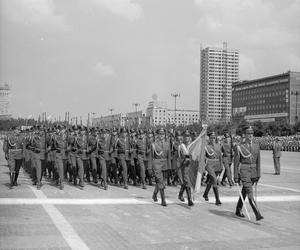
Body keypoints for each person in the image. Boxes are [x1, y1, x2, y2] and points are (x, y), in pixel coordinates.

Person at [234, 126, 264, 221]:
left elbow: (258, 161)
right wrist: (235, 176)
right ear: (245, 135)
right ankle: (257, 213)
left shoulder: (256, 146)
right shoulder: (240, 147)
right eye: (248, 134)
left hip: (254, 172)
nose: (250, 135)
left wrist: (258, 174)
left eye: (251, 134)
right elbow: (236, 163)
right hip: (244, 171)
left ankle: (238, 209)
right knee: (250, 192)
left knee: (244, 191)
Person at [151, 127, 171, 206]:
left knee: (162, 182)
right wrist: (150, 167)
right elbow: (151, 157)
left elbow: (169, 156)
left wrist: (170, 167)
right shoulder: (154, 144)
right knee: (160, 181)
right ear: (158, 135)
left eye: (163, 134)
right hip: (157, 164)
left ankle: (155, 194)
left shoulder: (168, 144)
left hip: (165, 164)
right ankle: (163, 200)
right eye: (160, 134)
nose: (162, 135)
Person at [203, 131, 222, 206]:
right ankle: (217, 199)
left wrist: (221, 167)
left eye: (214, 137)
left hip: (217, 165)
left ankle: (205, 194)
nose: (213, 139)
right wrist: (204, 167)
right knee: (214, 180)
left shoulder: (218, 145)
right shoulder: (206, 146)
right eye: (211, 138)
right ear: (209, 138)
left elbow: (220, 157)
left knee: (211, 181)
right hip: (210, 165)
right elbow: (203, 157)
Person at [177, 130, 194, 206]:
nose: (186, 137)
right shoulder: (181, 146)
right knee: (187, 182)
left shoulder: (192, 145)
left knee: (186, 182)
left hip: (190, 167)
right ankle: (189, 200)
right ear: (183, 137)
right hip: (184, 167)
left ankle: (180, 195)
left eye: (188, 136)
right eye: (185, 136)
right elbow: (178, 158)